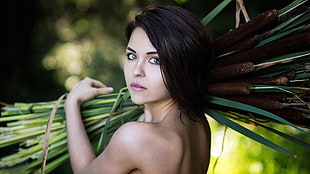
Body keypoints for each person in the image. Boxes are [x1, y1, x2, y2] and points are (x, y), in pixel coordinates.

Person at [65, 5, 213, 174]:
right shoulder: (198, 123)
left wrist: (72, 104)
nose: (136, 71)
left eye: (155, 60)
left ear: (183, 66)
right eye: (132, 56)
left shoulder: (134, 138)